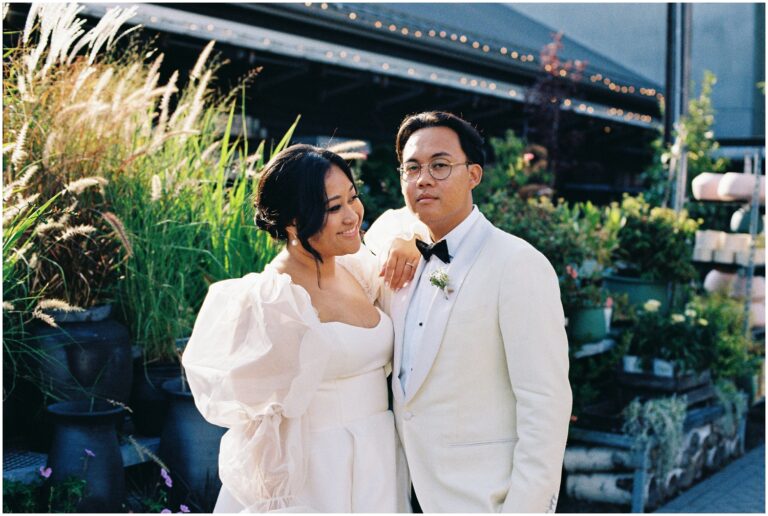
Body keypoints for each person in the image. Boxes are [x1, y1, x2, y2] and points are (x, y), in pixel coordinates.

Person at [182, 144, 418, 512]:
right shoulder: (270, 301)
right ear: (292, 221)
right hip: (316, 474)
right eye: (333, 208)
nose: (352, 215)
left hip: (379, 455)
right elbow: (261, 423)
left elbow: (413, 221)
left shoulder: (359, 269)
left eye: (352, 199)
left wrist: (409, 242)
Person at [365, 111, 572, 513]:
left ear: (473, 174)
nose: (424, 178)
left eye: (440, 166)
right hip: (398, 491)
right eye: (412, 167)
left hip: (482, 498)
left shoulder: (517, 264)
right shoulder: (394, 253)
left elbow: (545, 402)